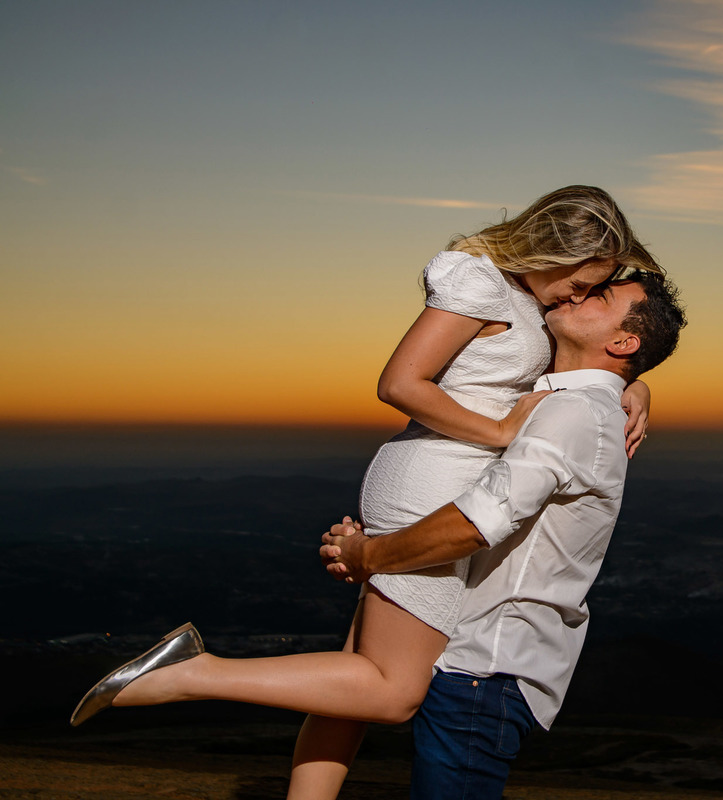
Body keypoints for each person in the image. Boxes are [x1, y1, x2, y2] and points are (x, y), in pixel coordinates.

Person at [69, 186, 663, 800]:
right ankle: (192, 673)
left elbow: (549, 374)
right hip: (436, 481)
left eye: (595, 290)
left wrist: (632, 387)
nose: (578, 296)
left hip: (449, 476)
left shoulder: (530, 298)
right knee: (392, 689)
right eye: (582, 282)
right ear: (555, 250)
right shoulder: (481, 283)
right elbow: (400, 382)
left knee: (351, 684)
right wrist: (500, 431)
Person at [321, 270, 686, 798]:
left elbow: (476, 522)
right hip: (479, 667)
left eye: (599, 296)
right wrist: (634, 381)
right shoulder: (564, 397)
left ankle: (188, 676)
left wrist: (367, 555)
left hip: (486, 673)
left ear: (623, 341)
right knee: (351, 686)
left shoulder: (572, 413)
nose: (578, 293)